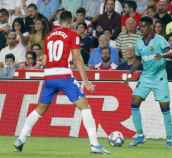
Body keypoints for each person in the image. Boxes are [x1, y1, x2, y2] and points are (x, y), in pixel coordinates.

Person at [14, 11, 109, 154]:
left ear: (58, 20)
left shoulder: (49, 36)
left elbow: (44, 60)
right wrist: (86, 81)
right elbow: (77, 59)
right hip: (64, 76)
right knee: (85, 107)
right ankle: (95, 145)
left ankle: (20, 139)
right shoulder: (72, 34)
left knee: (40, 109)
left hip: (48, 77)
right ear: (71, 21)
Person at [127, 16, 172, 149]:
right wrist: (130, 71)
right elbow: (137, 59)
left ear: (150, 26)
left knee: (165, 108)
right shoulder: (139, 42)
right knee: (134, 103)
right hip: (146, 76)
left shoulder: (160, 40)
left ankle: (169, 139)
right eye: (140, 26)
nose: (141, 29)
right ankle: (140, 135)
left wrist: (162, 55)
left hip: (160, 77)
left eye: (144, 26)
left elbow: (170, 54)